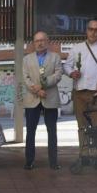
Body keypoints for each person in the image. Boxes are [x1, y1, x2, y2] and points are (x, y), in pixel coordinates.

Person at [63, 19, 97, 165]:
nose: (93, 32)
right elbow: (67, 65)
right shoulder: (76, 48)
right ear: (86, 30)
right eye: (90, 29)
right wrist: (72, 73)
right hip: (79, 92)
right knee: (82, 126)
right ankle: (84, 155)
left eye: (96, 29)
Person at [22, 31, 63, 170]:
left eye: (42, 40)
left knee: (52, 131)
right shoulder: (27, 59)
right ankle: (29, 161)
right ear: (34, 43)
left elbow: (58, 74)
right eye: (37, 41)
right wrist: (37, 90)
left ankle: (53, 162)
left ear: (47, 41)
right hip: (32, 98)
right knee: (30, 131)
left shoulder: (55, 57)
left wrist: (44, 84)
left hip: (50, 98)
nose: (39, 43)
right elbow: (25, 77)